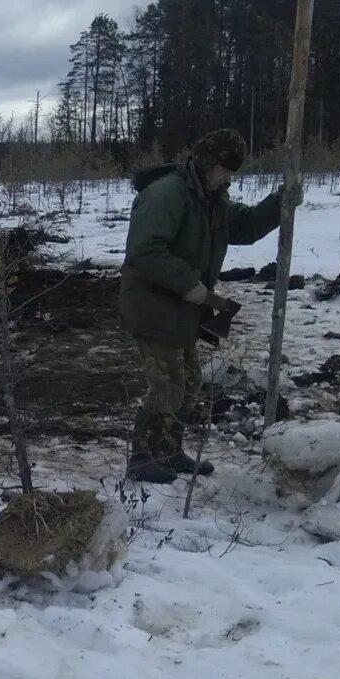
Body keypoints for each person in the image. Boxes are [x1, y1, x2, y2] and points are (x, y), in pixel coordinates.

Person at [120, 128, 301, 483]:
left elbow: (244, 227)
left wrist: (280, 202)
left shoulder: (210, 197)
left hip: (180, 308)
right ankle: (143, 457)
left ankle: (169, 452)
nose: (229, 177)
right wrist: (191, 285)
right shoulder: (167, 195)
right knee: (168, 384)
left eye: (232, 171)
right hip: (153, 307)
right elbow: (144, 252)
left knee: (189, 381)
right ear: (205, 164)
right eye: (224, 169)